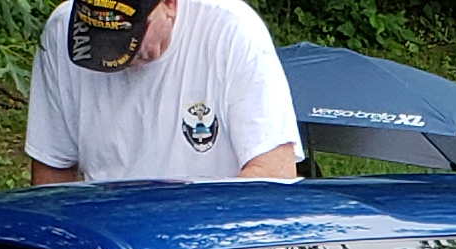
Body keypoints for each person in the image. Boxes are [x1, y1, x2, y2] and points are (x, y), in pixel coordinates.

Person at [24, 0, 301, 187]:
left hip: (206, 237)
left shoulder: (232, 31)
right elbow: (51, 174)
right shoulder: (62, 32)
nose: (114, 55)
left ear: (169, 4)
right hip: (108, 239)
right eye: (100, 37)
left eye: (131, 34)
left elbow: (274, 174)